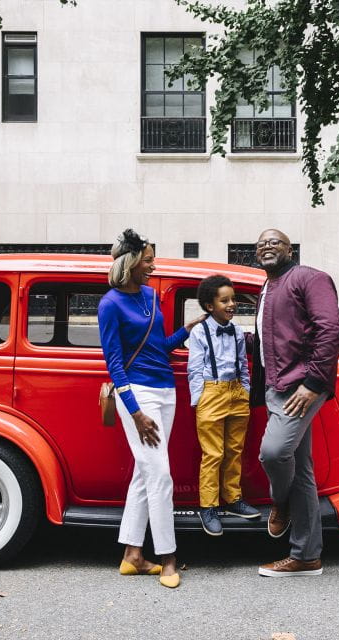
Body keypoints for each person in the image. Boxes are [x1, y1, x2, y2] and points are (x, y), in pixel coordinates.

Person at [98, 229, 206, 589]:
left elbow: (158, 346)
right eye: (148, 260)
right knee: (160, 475)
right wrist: (135, 412)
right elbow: (115, 364)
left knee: (145, 473)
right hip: (138, 394)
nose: (153, 266)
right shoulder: (110, 304)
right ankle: (168, 558)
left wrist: (187, 330)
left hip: (165, 390)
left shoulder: (149, 295)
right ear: (130, 263)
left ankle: (132, 556)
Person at [252, 228, 339, 577]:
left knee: (274, 453)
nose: (267, 246)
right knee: (302, 471)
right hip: (275, 386)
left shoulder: (310, 278)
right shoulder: (266, 287)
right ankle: (306, 556)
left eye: (274, 242)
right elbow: (273, 336)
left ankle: (280, 501)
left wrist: (313, 383)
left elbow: (331, 329)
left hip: (301, 386)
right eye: (261, 243)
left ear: (290, 250)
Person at [187, 275, 260, 536]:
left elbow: (242, 364)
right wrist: (200, 400)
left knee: (234, 450)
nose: (231, 304)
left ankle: (232, 498)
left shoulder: (237, 331)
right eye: (225, 301)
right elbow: (195, 368)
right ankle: (208, 506)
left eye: (233, 299)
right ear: (210, 306)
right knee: (213, 453)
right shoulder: (199, 331)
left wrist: (245, 390)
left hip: (236, 392)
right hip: (212, 393)